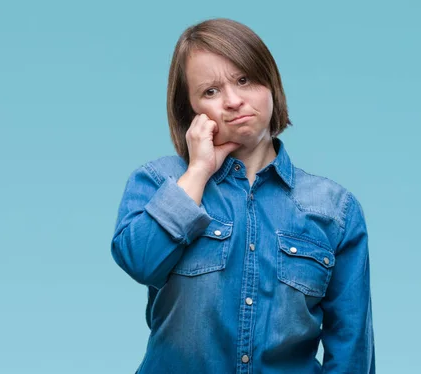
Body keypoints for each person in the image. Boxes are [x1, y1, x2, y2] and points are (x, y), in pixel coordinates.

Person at [110, 18, 375, 373]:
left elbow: (352, 350)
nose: (233, 101)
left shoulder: (335, 210)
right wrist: (199, 171)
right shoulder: (160, 181)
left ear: (270, 85)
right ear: (192, 111)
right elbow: (139, 261)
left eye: (244, 80)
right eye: (210, 91)